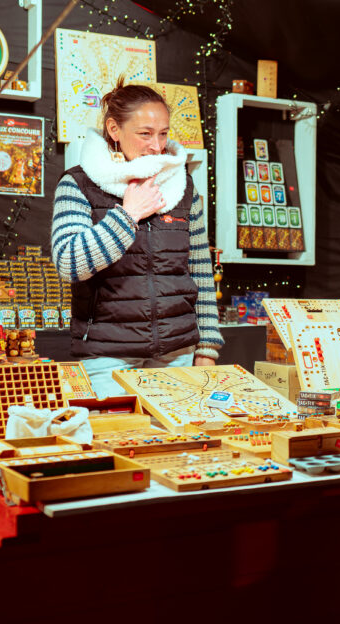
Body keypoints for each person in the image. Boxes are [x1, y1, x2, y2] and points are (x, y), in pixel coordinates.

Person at [51, 78, 223, 397]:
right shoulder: (79, 184)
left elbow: (200, 271)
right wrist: (127, 215)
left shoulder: (182, 187)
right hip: (107, 358)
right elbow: (68, 264)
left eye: (163, 133)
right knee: (117, 439)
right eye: (144, 134)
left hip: (178, 355)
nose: (156, 146)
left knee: (182, 444)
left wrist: (207, 348)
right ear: (115, 130)